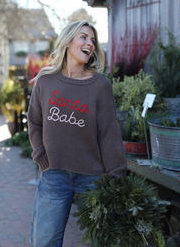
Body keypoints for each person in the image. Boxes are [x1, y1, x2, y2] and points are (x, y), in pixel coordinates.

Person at [28, 20, 127, 247]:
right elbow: (34, 122)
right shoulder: (45, 81)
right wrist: (41, 154)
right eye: (83, 37)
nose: (89, 43)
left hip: (92, 178)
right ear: (68, 41)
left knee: (100, 242)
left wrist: (116, 175)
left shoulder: (100, 85)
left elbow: (109, 132)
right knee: (44, 241)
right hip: (54, 175)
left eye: (92, 40)